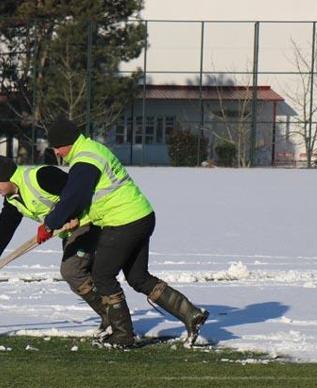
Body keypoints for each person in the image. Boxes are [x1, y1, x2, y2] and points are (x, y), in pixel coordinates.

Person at [40, 117, 209, 348]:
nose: (57, 153)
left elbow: (74, 196)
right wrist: (74, 219)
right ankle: (191, 314)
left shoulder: (85, 159)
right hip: (141, 215)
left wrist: (50, 222)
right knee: (138, 278)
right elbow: (89, 197)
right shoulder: (92, 151)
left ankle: (122, 335)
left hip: (123, 221)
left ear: (67, 143)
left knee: (103, 276)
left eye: (57, 147)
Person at [0, 155, 109, 334]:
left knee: (72, 271)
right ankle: (113, 316)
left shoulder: (41, 176)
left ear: (8, 177)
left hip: (88, 223)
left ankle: (113, 318)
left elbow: (76, 192)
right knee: (84, 274)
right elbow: (5, 226)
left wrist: (72, 215)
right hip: (69, 232)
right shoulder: (12, 198)